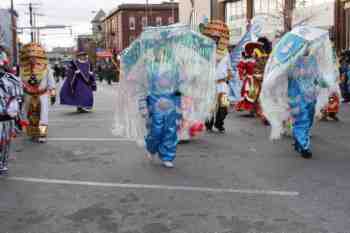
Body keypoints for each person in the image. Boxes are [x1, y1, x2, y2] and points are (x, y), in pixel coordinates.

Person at [20, 43, 56, 143]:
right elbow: (19, 82)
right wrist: (20, 95)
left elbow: (51, 81)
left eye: (34, 56)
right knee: (28, 115)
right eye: (30, 57)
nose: (32, 59)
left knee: (43, 115)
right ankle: (32, 133)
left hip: (42, 95)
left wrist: (53, 94)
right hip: (28, 95)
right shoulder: (23, 69)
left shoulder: (46, 68)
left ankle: (42, 134)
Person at [0, 48, 23, 175]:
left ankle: (2, 164)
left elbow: (17, 100)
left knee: (4, 142)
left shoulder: (12, 79)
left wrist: (17, 117)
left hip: (5, 118)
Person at [235, 42, 262, 116]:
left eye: (254, 51)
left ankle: (256, 110)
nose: (253, 53)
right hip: (249, 80)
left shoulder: (257, 60)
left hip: (257, 79)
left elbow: (260, 68)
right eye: (252, 51)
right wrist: (242, 75)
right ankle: (252, 110)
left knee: (257, 94)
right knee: (250, 94)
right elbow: (240, 68)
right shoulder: (245, 60)